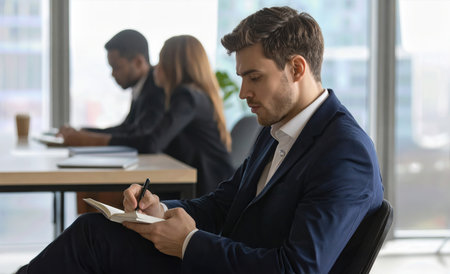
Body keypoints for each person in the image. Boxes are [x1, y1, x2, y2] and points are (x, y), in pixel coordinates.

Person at [17, 6, 384, 274]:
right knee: (93, 231)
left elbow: (297, 269)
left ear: (297, 68)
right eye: (241, 77)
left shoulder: (344, 154)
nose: (243, 93)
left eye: (254, 77)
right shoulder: (278, 130)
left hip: (227, 264)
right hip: (223, 259)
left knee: (91, 242)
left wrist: (189, 243)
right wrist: (159, 209)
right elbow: (223, 204)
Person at [61, 35, 234, 197]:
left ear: (174, 67)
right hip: (203, 185)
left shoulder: (186, 97)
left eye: (162, 61)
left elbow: (151, 142)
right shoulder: (193, 95)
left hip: (204, 192)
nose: (155, 67)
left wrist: (93, 140)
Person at [59, 29, 166, 211]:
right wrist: (84, 132)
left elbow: (142, 137)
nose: (112, 74)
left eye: (116, 67)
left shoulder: (156, 88)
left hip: (164, 179)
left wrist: (88, 138)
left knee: (94, 187)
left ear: (139, 62)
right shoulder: (141, 87)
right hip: (151, 169)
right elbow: (127, 128)